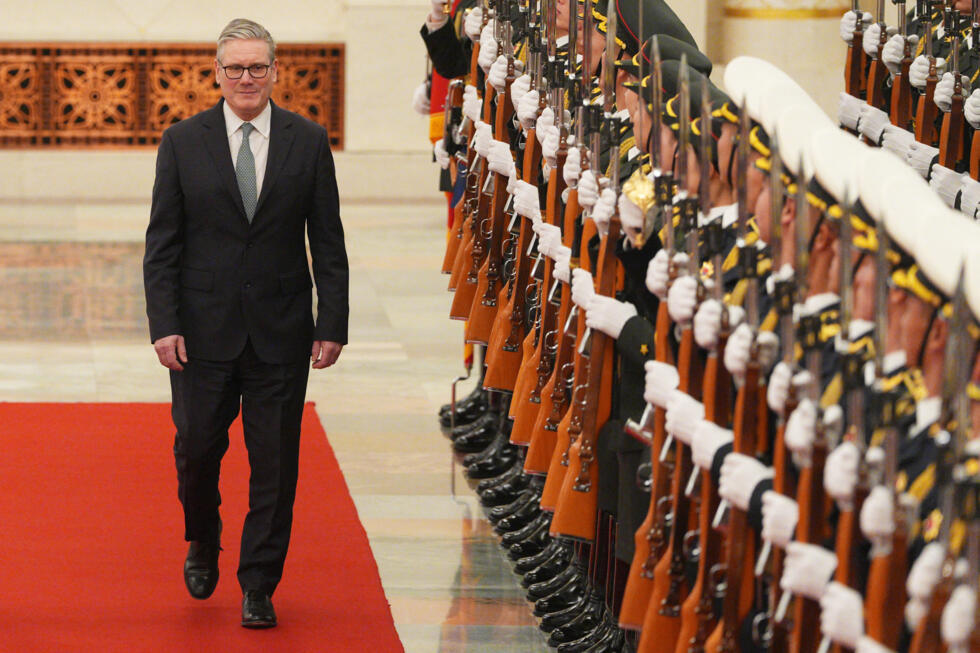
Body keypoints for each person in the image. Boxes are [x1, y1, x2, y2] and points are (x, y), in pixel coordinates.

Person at [142, 17, 349, 629]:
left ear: (275, 72)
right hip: (202, 335)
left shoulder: (307, 141)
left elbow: (328, 242)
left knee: (275, 464)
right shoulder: (182, 141)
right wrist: (164, 324)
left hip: (281, 333)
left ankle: (259, 583)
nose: (246, 78)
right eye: (234, 68)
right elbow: (162, 245)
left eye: (257, 67)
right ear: (216, 73)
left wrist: (330, 322)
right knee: (197, 450)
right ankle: (203, 536)